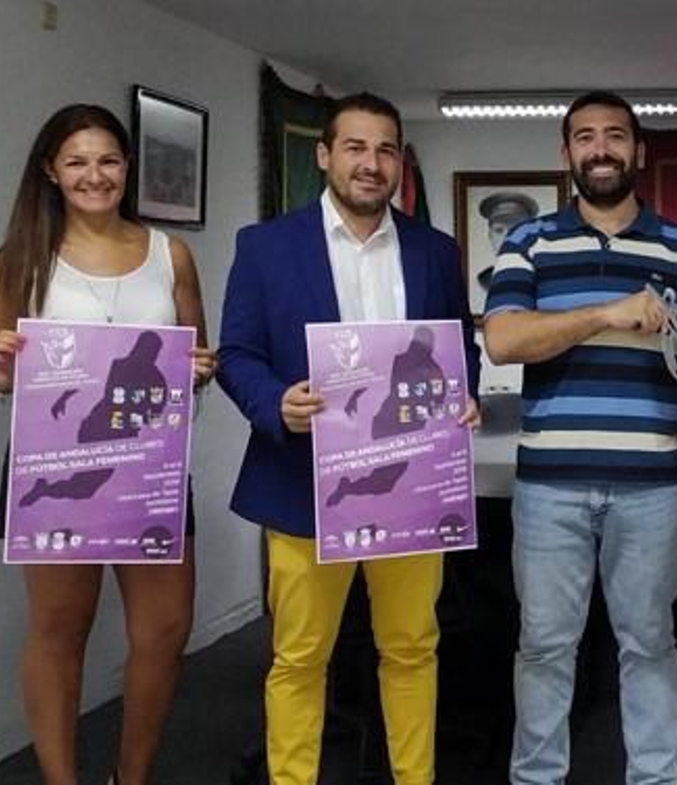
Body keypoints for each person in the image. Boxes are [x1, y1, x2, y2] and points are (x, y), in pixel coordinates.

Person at [216, 92, 479, 785]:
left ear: (399, 162)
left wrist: (466, 396)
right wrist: (275, 402)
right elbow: (236, 352)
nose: (372, 163)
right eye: (356, 147)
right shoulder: (265, 247)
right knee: (301, 656)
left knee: (412, 647)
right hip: (302, 484)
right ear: (324, 155)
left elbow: (459, 349)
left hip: (411, 486)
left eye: (386, 149)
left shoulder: (435, 251)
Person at [0, 103, 216, 785]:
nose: (94, 175)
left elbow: (198, 356)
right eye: (76, 161)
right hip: (55, 467)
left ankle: (129, 777)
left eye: (108, 160)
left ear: (128, 167)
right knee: (59, 630)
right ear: (51, 171)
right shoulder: (22, 259)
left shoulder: (171, 254)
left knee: (165, 630)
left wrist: (199, 369)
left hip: (149, 469)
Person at [482, 90, 677, 785]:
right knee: (544, 646)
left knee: (649, 644)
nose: (601, 148)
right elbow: (503, 339)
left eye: (616, 135)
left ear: (638, 150)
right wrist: (605, 313)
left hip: (652, 487)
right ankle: (537, 778)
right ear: (567, 153)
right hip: (549, 487)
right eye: (585, 136)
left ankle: (655, 777)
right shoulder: (528, 242)